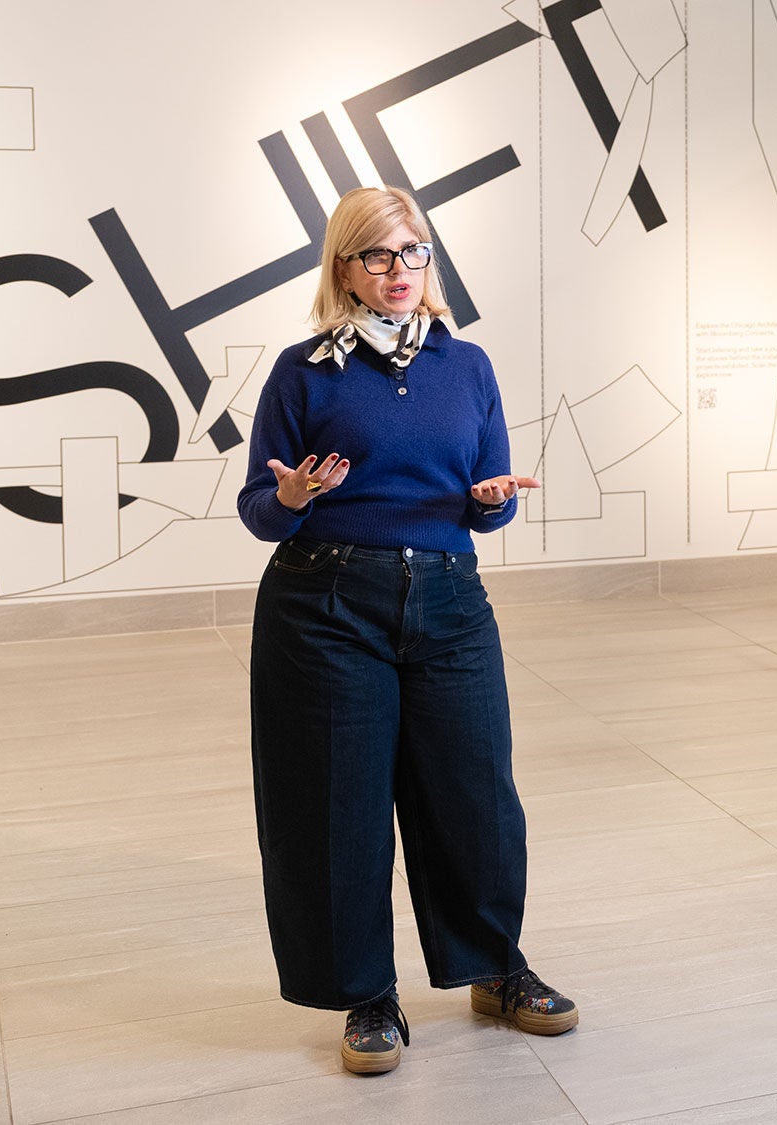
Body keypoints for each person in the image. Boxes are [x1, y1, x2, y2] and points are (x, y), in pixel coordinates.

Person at [238, 186, 575, 1076]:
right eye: (378, 255)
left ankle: (494, 968)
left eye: (414, 252)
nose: (399, 271)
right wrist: (293, 496)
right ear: (343, 266)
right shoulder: (303, 371)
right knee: (336, 803)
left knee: (475, 791)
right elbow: (258, 509)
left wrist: (489, 502)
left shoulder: (468, 367)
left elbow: (484, 492)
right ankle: (367, 992)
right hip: (324, 605)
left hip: (450, 600)